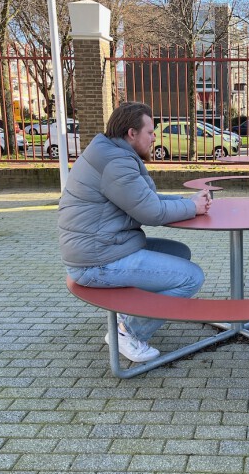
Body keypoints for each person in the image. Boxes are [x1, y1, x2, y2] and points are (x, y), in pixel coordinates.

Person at [58, 102, 212, 362]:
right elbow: (150, 212)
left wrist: (187, 201)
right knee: (191, 277)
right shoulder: (115, 162)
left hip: (103, 247)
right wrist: (191, 207)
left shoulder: (109, 152)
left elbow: (144, 198)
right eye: (150, 132)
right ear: (132, 133)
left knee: (179, 253)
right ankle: (128, 333)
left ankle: (130, 314)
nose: (154, 138)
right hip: (95, 262)